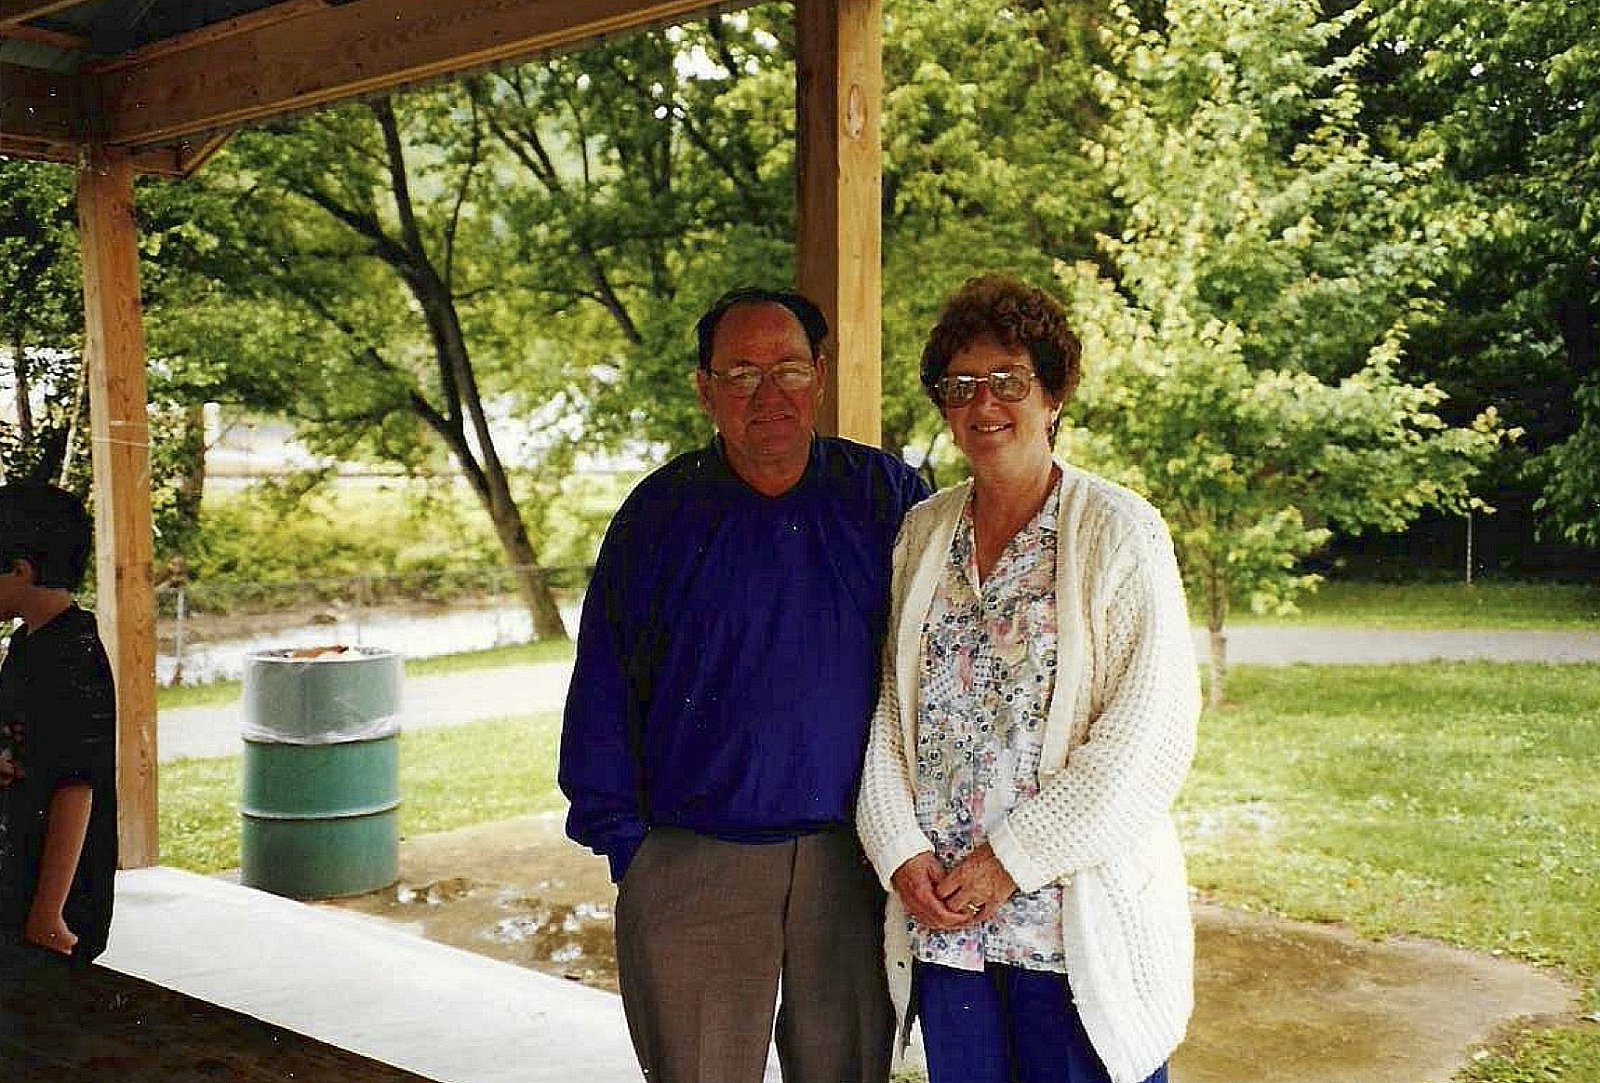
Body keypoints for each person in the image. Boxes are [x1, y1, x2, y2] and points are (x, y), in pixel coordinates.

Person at [559, 286, 930, 1083]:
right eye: (741, 373)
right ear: (705, 389)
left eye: (789, 369)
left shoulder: (887, 499)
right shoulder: (657, 516)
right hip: (695, 859)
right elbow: (602, 693)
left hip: (854, 861)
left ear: (820, 375)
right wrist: (635, 853)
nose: (770, 394)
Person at [856, 275, 1201, 1083]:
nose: (984, 403)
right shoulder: (922, 533)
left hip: (1070, 935)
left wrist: (1009, 859)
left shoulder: (1120, 532)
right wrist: (899, 850)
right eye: (961, 385)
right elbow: (888, 716)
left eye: (1008, 380)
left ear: (1053, 395)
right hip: (949, 927)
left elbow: (1147, 738)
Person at [0, 482, 118, 967]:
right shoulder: (28, 644)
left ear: (21, 571)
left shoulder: (72, 656)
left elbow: (76, 788)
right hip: (19, 867)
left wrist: (49, 911)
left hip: (59, 898)